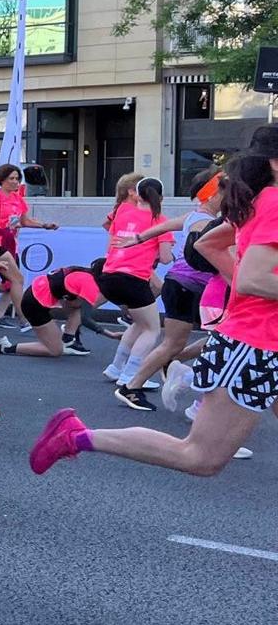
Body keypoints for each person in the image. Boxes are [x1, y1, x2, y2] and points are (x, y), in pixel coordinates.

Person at [30, 126, 278, 479]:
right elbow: (254, 278)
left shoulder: (257, 203)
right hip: (254, 344)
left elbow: (209, 245)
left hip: (261, 340)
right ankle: (77, 436)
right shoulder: (273, 203)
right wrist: (241, 282)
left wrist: (235, 281)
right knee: (199, 457)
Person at [116, 170, 224, 411]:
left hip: (183, 286)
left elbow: (162, 227)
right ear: (213, 195)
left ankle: (170, 364)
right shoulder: (203, 222)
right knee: (174, 343)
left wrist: (138, 238)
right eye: (224, 192)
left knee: (217, 337)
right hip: (186, 286)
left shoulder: (194, 215)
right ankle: (131, 386)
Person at [95, 175, 172, 397]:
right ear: (161, 196)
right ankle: (130, 375)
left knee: (140, 323)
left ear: (137, 194)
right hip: (134, 278)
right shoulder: (160, 220)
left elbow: (110, 236)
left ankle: (116, 367)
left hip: (109, 275)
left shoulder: (122, 211)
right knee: (152, 328)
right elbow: (166, 258)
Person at [0, 165, 58, 331]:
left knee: (9, 282)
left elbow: (25, 221)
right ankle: (24, 319)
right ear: (1, 180)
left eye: (17, 178)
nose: (15, 182)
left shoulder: (18, 200)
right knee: (16, 280)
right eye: (11, 178)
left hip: (11, 244)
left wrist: (45, 225)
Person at [0, 265, 104, 357]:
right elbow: (84, 317)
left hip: (36, 292)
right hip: (34, 304)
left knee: (78, 306)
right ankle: (5, 347)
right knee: (55, 350)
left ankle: (68, 338)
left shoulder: (82, 272)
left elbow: (67, 302)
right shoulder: (90, 284)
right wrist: (109, 334)